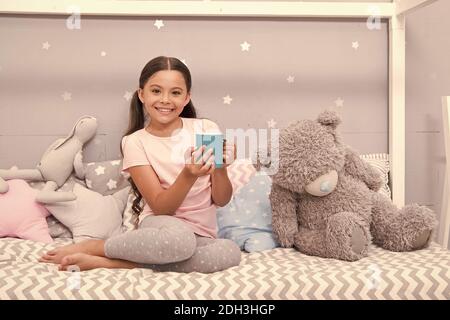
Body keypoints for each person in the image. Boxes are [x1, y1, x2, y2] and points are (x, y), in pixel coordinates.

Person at [39, 56, 241, 273]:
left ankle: (115, 263)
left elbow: (221, 199)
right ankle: (97, 247)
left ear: (186, 97)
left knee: (230, 252)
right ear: (142, 94)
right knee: (180, 241)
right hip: (162, 226)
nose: (165, 100)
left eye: (175, 92)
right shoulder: (135, 142)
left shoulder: (206, 128)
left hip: (201, 233)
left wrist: (220, 169)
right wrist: (188, 175)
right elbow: (162, 207)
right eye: (156, 91)